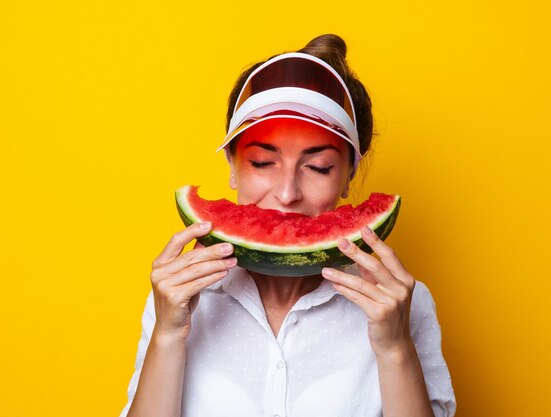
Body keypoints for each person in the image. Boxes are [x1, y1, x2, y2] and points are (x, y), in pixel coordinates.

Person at [120, 34, 456, 417]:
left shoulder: (399, 302)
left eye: (318, 167)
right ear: (232, 165)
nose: (286, 193)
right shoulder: (179, 297)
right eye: (263, 162)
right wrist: (167, 334)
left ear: (349, 175)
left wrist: (395, 347)